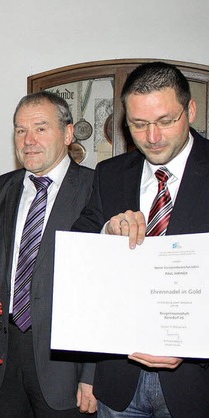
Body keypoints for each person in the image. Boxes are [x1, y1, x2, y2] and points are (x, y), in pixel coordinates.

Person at [72, 62, 209, 417]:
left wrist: (196, 345)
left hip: (197, 384)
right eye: (138, 124)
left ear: (190, 110)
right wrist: (108, 233)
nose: (153, 137)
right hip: (119, 382)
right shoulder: (110, 174)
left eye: (166, 121)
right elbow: (77, 249)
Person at [0, 91, 98, 417]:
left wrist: (93, 374)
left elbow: (102, 290)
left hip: (65, 367)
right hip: (5, 356)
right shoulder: (1, 188)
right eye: (20, 130)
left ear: (68, 134)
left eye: (41, 128)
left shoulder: (96, 189)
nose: (28, 140)